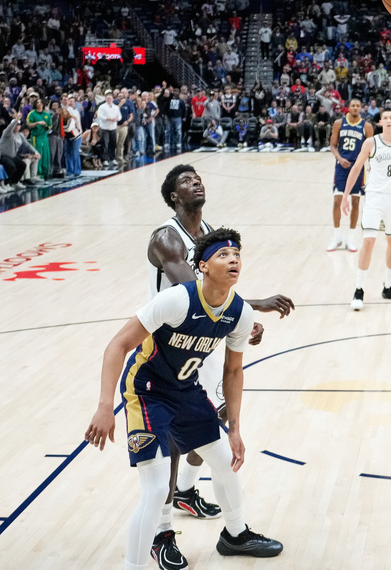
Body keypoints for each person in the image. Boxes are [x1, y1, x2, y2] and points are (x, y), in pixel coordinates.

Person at [86, 228, 284, 570]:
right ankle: (140, 558)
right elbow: (117, 345)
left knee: (225, 461)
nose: (233, 258)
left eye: (237, 254)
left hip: (185, 390)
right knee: (157, 485)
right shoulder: (176, 299)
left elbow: (233, 372)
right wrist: (106, 406)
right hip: (146, 391)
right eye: (224, 254)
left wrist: (234, 428)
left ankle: (234, 535)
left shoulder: (239, 313)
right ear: (203, 266)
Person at [146, 165, 294, 564]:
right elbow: (194, 291)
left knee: (216, 422)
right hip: (169, 350)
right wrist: (249, 309)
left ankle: (190, 493)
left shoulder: (208, 230)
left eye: (198, 177)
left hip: (203, 342)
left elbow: (219, 294)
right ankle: (161, 528)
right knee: (174, 441)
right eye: (185, 180)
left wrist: (239, 323)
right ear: (174, 196)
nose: (196, 182)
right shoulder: (166, 238)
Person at [340, 109, 391, 309]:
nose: (389, 121)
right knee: (369, 241)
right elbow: (356, 168)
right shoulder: (370, 143)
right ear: (380, 122)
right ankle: (359, 289)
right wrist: (345, 196)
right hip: (374, 198)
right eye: (386, 118)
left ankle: (389, 286)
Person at [328, 98, 374, 252]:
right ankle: (336, 237)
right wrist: (339, 158)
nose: (355, 108)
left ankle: (351, 238)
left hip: (358, 169)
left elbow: (371, 150)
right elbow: (332, 145)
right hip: (341, 167)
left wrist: (366, 166)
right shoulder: (338, 124)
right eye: (353, 105)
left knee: (355, 203)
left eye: (358, 106)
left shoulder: (367, 127)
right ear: (348, 108)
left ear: (361, 108)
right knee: (337, 200)